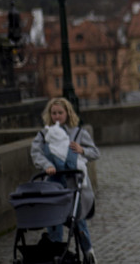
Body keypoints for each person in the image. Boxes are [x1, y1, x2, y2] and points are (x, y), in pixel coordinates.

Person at [30, 97, 100, 264]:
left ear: (67, 113)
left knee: (78, 220)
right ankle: (56, 251)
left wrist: (82, 150)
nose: (57, 116)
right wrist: (46, 165)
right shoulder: (44, 134)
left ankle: (88, 251)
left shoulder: (78, 133)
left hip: (73, 183)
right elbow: (35, 153)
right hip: (54, 183)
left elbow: (95, 153)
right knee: (53, 219)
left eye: (60, 113)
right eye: (53, 113)